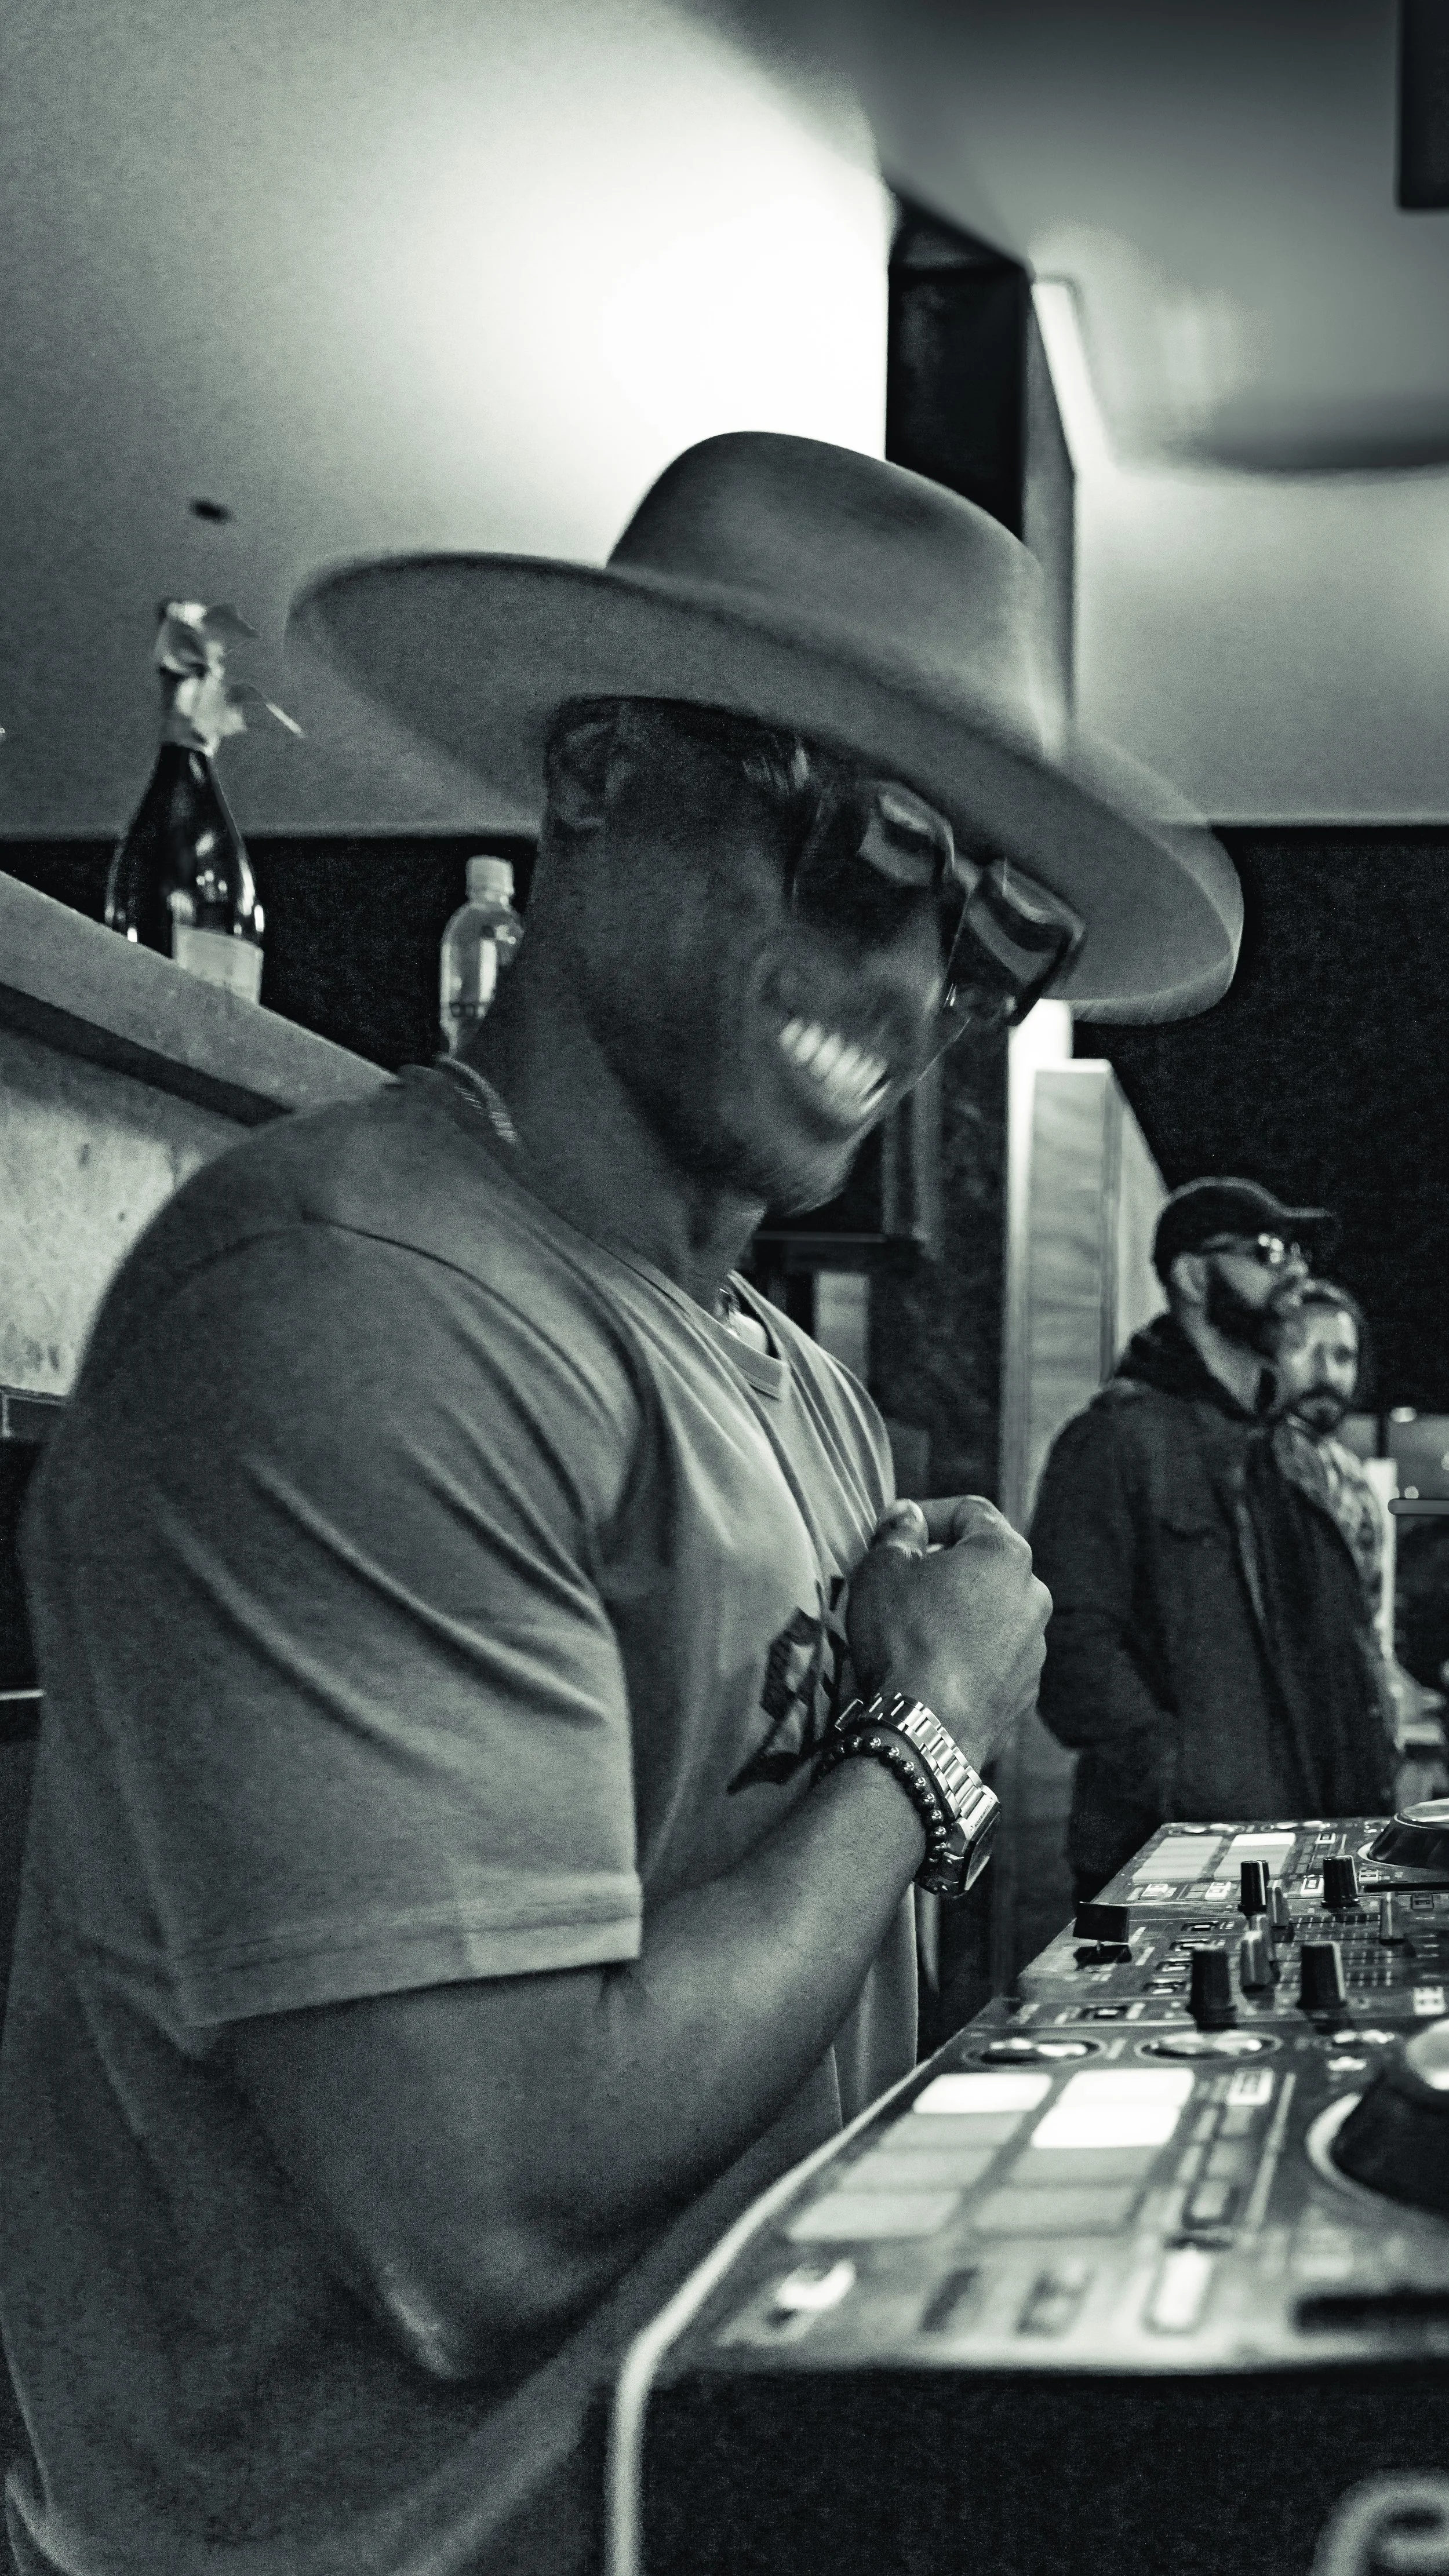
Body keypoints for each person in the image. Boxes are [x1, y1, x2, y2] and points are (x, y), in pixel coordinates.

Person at [0, 431, 1241, 2576]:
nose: (923, 994)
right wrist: (929, 1743)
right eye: (867, 860)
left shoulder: (808, 1400)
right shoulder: (349, 1307)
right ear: (597, 779)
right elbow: (476, 2227)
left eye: (994, 939)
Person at [1031, 1176, 1396, 1902]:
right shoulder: (1114, 1439)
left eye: (1297, 1250)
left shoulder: (1283, 1452)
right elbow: (1068, 1649)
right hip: (1178, 1866)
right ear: (1194, 1275)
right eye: (1267, 1250)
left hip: (1305, 1853)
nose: (1295, 1269)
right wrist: (1184, 1776)